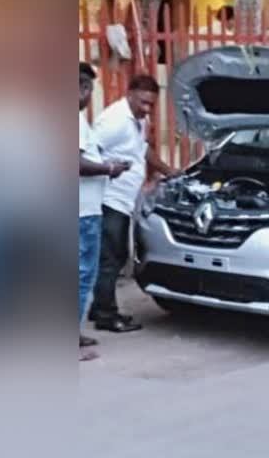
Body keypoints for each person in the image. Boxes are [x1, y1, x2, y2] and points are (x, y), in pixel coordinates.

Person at [88, 74, 177, 332]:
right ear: (129, 94)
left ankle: (99, 307)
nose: (147, 109)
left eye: (151, 104)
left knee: (114, 256)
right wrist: (109, 169)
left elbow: (142, 149)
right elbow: (89, 152)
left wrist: (167, 170)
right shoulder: (114, 121)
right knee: (111, 258)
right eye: (142, 103)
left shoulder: (138, 119)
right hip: (108, 199)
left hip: (125, 199)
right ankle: (106, 314)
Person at [79, 62, 130, 361]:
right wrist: (110, 168)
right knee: (80, 275)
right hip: (81, 213)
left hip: (86, 209)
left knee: (84, 275)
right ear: (83, 89)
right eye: (88, 89)